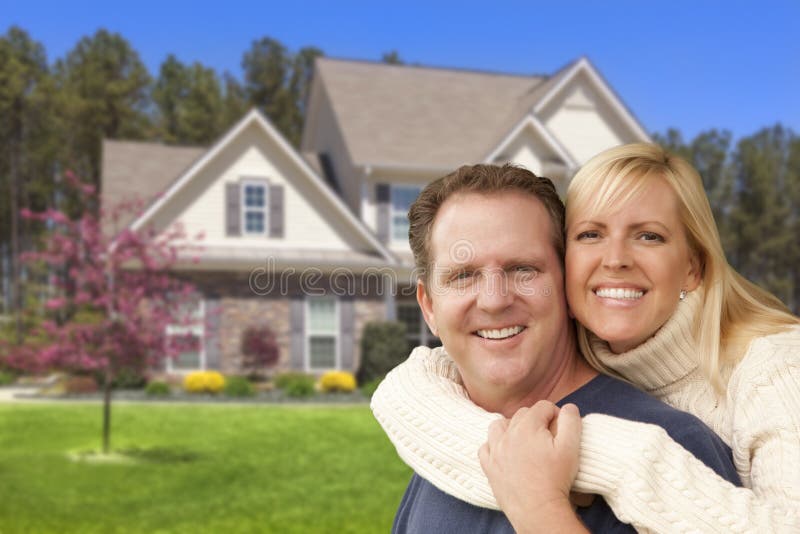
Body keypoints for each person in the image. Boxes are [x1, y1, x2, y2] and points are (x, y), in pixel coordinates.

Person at [372, 145, 800, 532]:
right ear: (428, 307)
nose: (495, 300)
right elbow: (408, 388)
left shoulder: (686, 439)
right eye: (463, 276)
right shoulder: (440, 442)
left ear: (563, 283)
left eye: (523, 269)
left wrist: (585, 475)